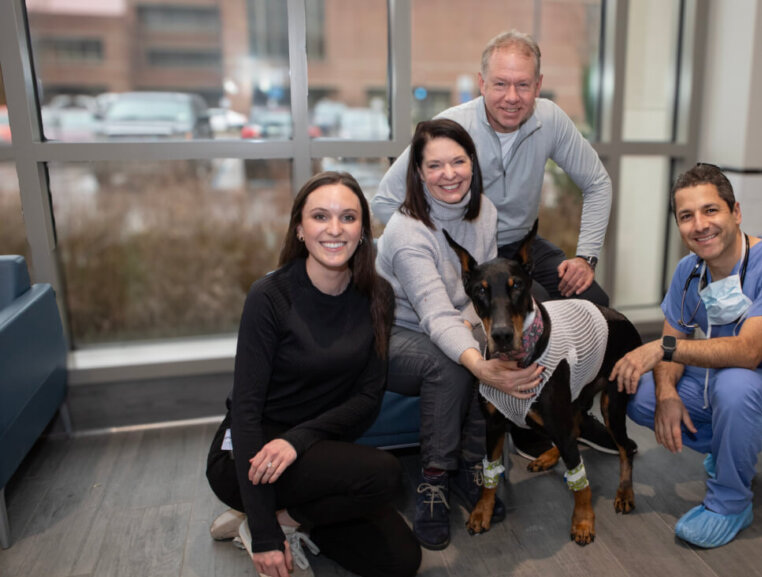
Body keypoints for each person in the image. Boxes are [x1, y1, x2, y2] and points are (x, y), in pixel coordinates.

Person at [371, 28, 617, 459]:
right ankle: (523, 420)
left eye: (523, 84)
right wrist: (437, 247)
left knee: (595, 304)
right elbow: (385, 201)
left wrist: (587, 255)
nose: (511, 96)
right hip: (467, 249)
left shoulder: (551, 120)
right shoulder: (451, 130)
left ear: (538, 86)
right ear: (482, 82)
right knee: (531, 312)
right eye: (500, 83)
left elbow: (597, 182)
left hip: (522, 245)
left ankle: (573, 410)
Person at [205, 171, 421, 577]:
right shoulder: (269, 297)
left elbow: (367, 398)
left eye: (348, 217)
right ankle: (264, 521)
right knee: (385, 473)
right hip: (249, 456)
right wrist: (268, 541)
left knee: (401, 561)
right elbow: (246, 411)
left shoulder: (378, 296)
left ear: (363, 230)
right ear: (300, 229)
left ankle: (277, 518)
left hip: (312, 449)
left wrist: (297, 440)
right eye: (320, 216)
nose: (335, 229)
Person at [610, 163, 762, 549]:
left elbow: (748, 352)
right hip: (719, 386)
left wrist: (661, 348)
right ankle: (729, 450)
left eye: (711, 210)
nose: (700, 225)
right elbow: (675, 338)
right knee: (641, 394)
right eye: (686, 216)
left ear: (735, 212)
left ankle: (730, 502)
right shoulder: (688, 272)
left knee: (737, 383)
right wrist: (669, 394)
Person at [376, 118, 544, 550]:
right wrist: (479, 359)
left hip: (456, 319)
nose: (449, 173)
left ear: (473, 163)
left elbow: (481, 290)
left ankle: (474, 469)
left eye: (458, 161)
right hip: (397, 331)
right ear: (417, 173)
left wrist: (476, 333)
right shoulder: (406, 231)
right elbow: (433, 316)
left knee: (474, 350)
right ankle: (434, 482)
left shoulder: (483, 210)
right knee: (453, 366)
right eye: (435, 165)